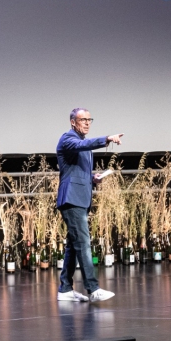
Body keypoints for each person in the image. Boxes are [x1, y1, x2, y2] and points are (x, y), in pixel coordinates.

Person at [56, 107, 123, 302]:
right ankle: (93, 289)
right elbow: (81, 148)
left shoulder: (82, 144)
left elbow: (76, 171)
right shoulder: (67, 139)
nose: (87, 123)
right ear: (73, 122)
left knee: (73, 245)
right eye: (82, 119)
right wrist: (107, 139)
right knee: (83, 243)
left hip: (81, 198)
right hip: (71, 199)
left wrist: (93, 178)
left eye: (89, 119)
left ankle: (65, 289)